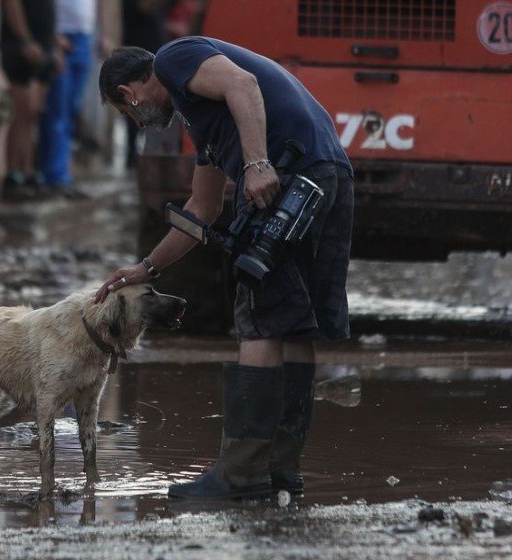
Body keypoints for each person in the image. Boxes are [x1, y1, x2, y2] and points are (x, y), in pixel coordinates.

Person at [95, 37, 355, 499]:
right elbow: (205, 206)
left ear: (128, 92)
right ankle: (280, 472)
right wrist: (147, 268)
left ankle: (241, 477)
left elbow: (244, 83)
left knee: (257, 321)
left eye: (127, 113)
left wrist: (256, 164)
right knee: (293, 324)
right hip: (328, 175)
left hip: (293, 178)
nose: (137, 121)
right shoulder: (205, 121)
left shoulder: (174, 59)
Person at [38, 0, 113, 196]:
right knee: (58, 107)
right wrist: (52, 38)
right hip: (61, 35)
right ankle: (55, 174)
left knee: (72, 108)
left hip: (84, 35)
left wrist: (103, 33)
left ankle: (62, 171)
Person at [0, 0, 59, 201]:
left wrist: (55, 46)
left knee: (34, 113)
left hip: (43, 46)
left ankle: (27, 170)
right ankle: (13, 172)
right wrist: (24, 40)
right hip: (22, 48)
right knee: (23, 111)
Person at [121, 0, 170, 168]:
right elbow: (145, 6)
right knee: (134, 101)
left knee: (157, 103)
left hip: (155, 48)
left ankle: (151, 152)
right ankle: (133, 152)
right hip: (135, 50)